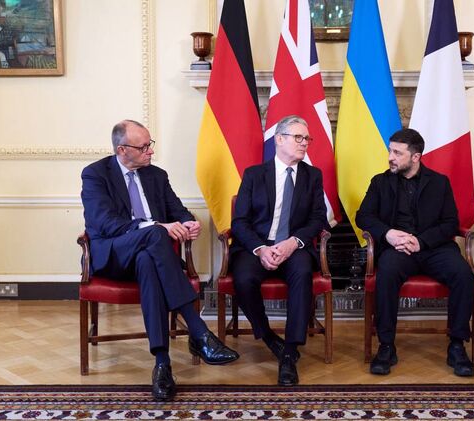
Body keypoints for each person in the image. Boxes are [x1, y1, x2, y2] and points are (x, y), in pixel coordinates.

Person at [81, 119, 239, 401]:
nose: (150, 151)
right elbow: (105, 223)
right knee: (154, 233)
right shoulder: (95, 174)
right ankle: (199, 332)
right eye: (143, 147)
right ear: (122, 150)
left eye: (150, 144)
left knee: (147, 260)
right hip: (114, 255)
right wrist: (156, 226)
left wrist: (189, 223)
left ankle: (162, 364)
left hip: (149, 258)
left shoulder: (156, 175)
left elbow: (178, 210)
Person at [356, 128, 474, 377]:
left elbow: (450, 223)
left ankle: (457, 345)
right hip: (397, 249)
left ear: (416, 156)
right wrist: (388, 234)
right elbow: (363, 216)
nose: (390, 157)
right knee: (387, 272)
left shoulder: (439, 182)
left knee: (463, 273)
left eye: (397, 153)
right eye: (390, 151)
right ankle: (386, 346)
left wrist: (421, 242)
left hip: (434, 248)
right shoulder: (380, 182)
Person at [230, 115, 328, 386]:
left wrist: (292, 242)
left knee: (302, 273)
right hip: (257, 246)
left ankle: (289, 351)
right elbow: (239, 222)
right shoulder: (254, 174)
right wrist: (261, 249)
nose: (304, 143)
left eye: (307, 138)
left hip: (294, 246)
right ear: (279, 139)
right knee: (243, 278)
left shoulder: (312, 175)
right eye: (298, 137)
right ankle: (268, 336)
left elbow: (318, 219)